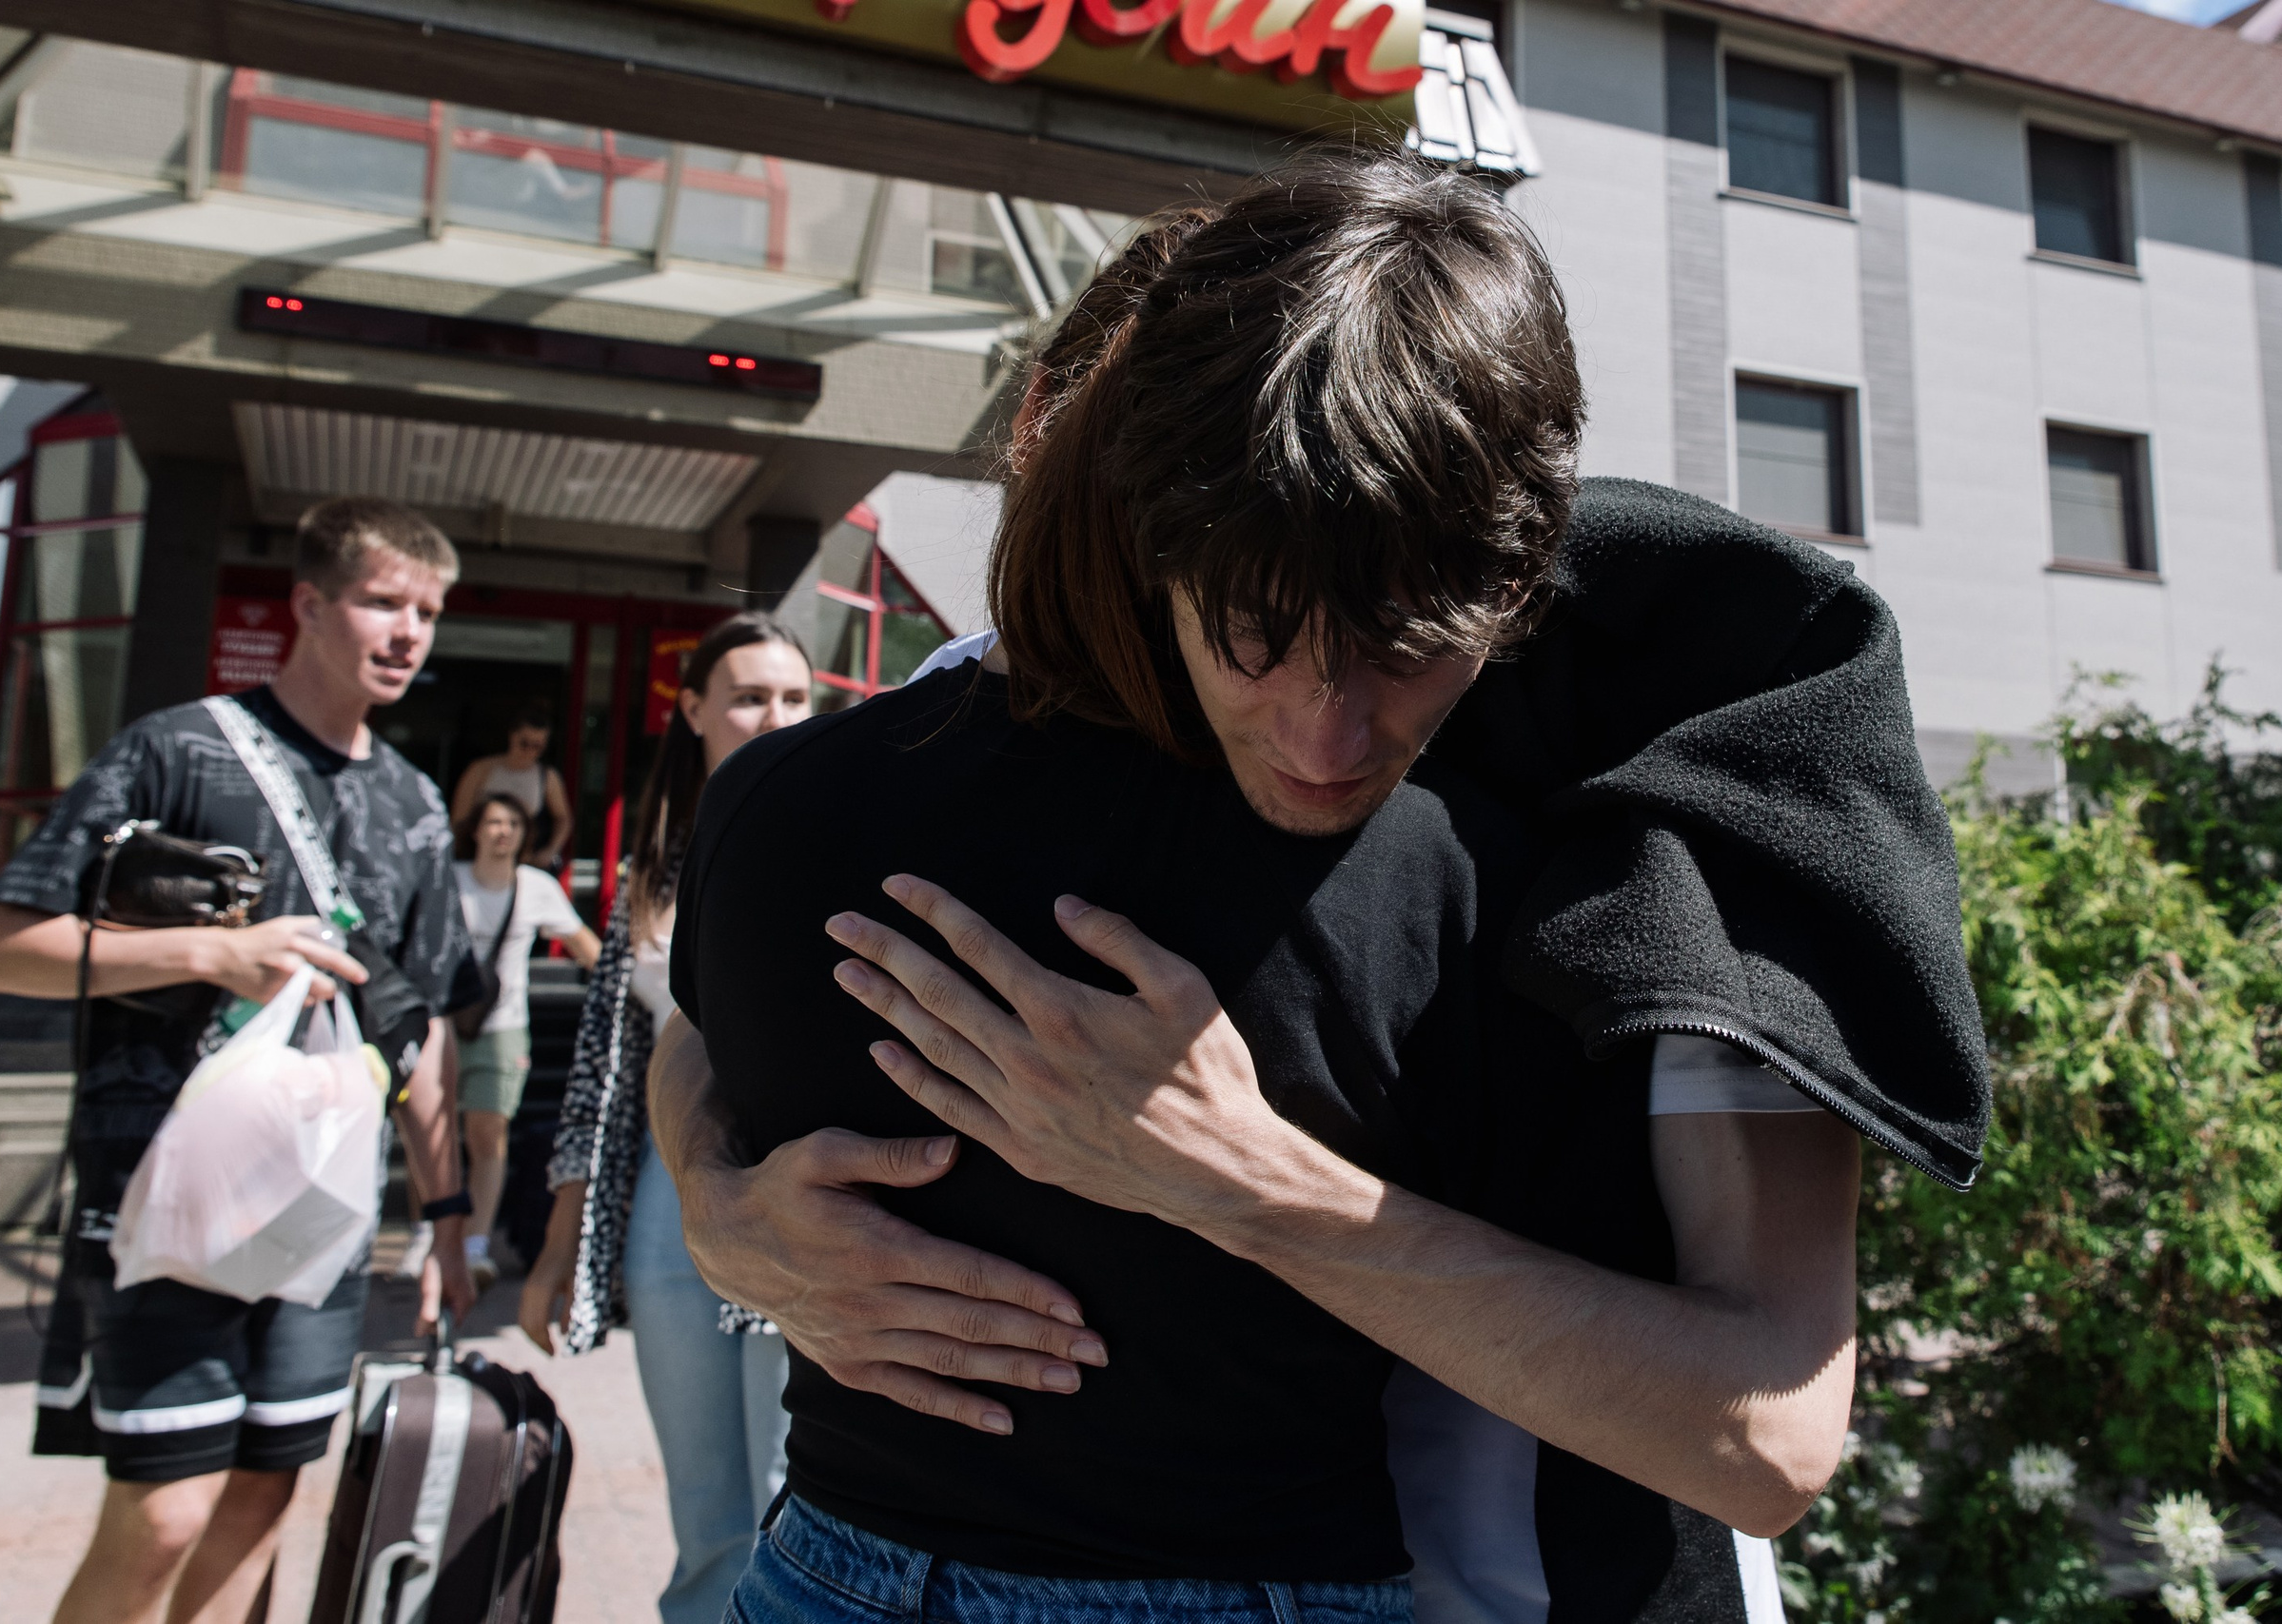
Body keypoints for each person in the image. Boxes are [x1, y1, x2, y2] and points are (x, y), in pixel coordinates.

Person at [654, 149, 1990, 1624]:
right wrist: (722, 1205)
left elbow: (1768, 1430)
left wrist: (1246, 1178)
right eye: (1253, 630)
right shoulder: (981, 712)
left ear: (1527, 568)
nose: (1326, 733)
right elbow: (704, 1011)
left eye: (1409, 646)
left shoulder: (1687, 782)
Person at [0, 495, 485, 1624]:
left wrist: (447, 1221)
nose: (408, 633)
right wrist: (213, 950)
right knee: (164, 1515)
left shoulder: (417, 805)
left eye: (427, 612)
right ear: (307, 603)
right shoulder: (175, 748)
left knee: (259, 1503)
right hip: (166, 1196)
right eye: (382, 602)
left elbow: (422, 1032)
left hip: (323, 1208)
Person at [519, 613, 815, 1624]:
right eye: (748, 696)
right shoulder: (653, 865)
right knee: (704, 1510)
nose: (773, 715)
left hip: (789, 1197)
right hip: (658, 1202)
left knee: (791, 1492)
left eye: (792, 696)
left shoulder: (838, 838)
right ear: (691, 711)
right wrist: (560, 1247)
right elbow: (599, 1071)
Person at [452, 790, 600, 1286]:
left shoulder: (535, 886)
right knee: (433, 1136)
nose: (502, 832)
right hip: (445, 1027)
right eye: (493, 822)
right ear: (475, 829)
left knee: (486, 1138)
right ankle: (435, 1235)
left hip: (504, 1029)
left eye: (512, 824)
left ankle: (473, 1244)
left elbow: (583, 944)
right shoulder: (451, 881)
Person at [454, 700, 574, 871]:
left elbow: (563, 818)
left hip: (524, 863)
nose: (530, 751)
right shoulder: (481, 770)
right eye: (524, 744)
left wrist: (550, 850)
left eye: (537, 746)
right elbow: (459, 819)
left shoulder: (547, 776)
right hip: (480, 860)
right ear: (512, 736)